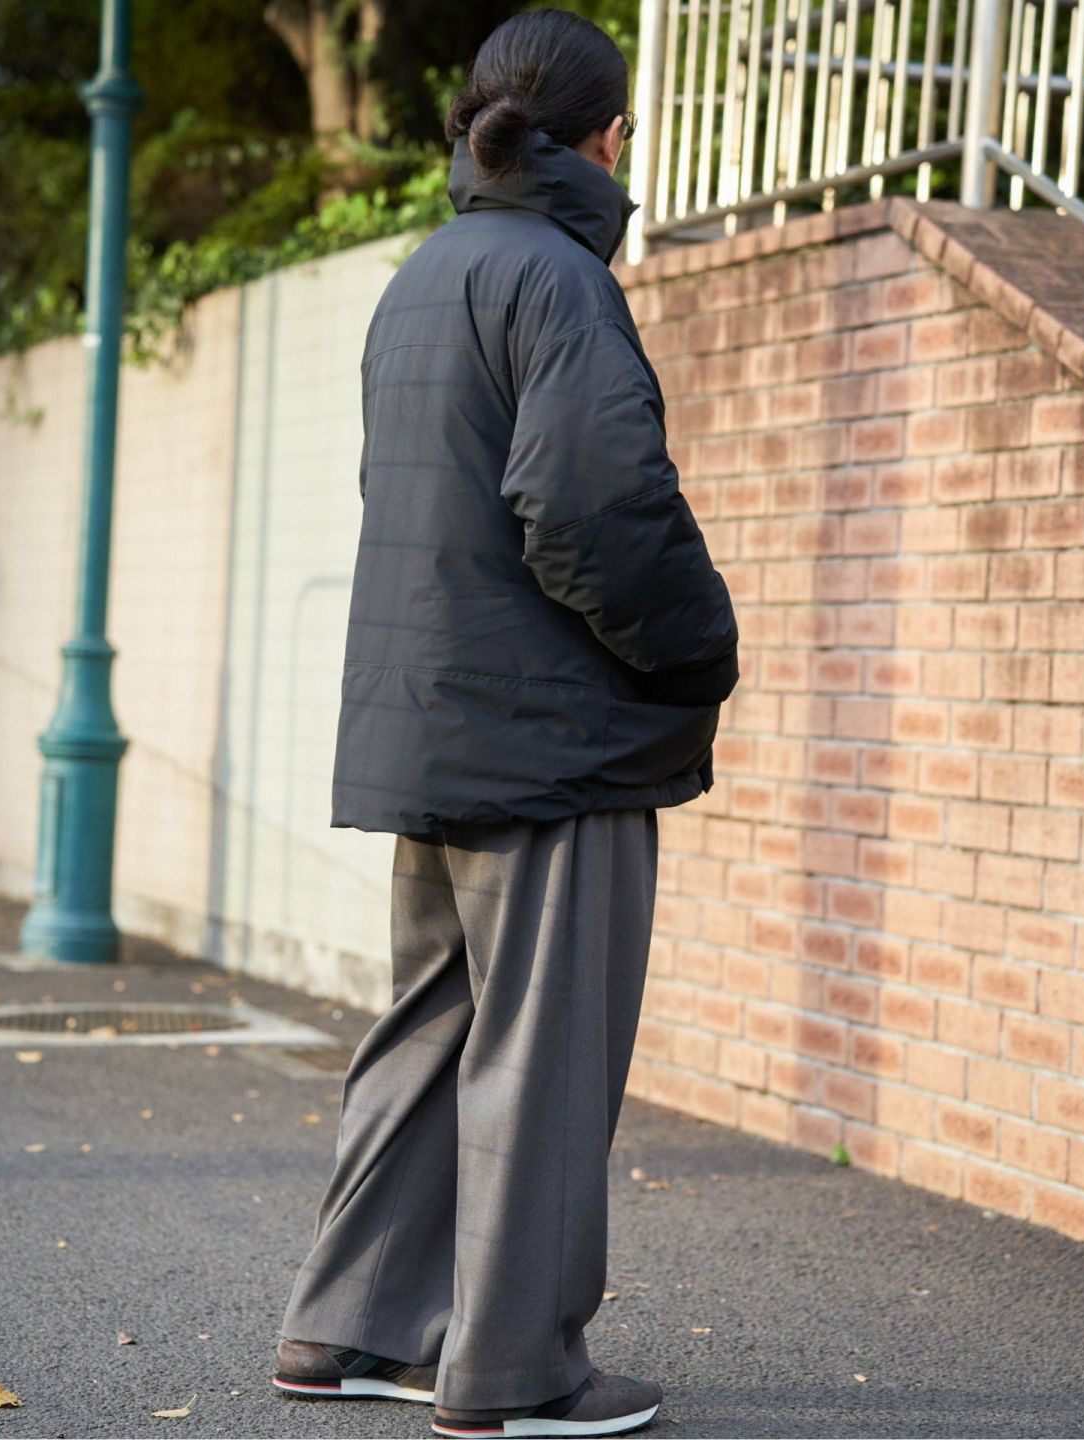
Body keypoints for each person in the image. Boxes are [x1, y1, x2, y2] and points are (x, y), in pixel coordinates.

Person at [272, 10, 739, 1436]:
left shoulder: (424, 276)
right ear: (604, 138)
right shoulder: (561, 280)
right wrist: (701, 650)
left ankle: (351, 1325)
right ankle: (514, 1371)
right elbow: (587, 507)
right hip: (552, 742)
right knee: (541, 1053)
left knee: (430, 1029)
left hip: (434, 722)